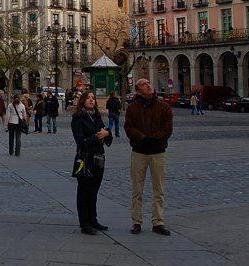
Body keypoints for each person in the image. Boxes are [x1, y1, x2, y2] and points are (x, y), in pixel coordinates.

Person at [124, 78, 173, 236]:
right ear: (138, 90)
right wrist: (143, 138)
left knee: (159, 189)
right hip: (139, 152)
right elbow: (129, 128)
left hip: (158, 152)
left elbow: (167, 128)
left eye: (149, 83)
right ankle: (136, 221)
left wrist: (155, 139)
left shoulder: (164, 107)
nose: (149, 86)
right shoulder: (132, 108)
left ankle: (158, 221)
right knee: (137, 189)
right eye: (144, 85)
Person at [71, 91, 113, 235]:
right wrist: (97, 137)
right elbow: (81, 142)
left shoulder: (96, 116)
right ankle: (85, 223)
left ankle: (93, 220)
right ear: (82, 101)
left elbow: (104, 133)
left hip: (98, 158)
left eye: (93, 98)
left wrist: (107, 134)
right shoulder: (78, 119)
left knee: (94, 191)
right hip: (85, 159)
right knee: (84, 192)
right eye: (88, 98)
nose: (91, 100)